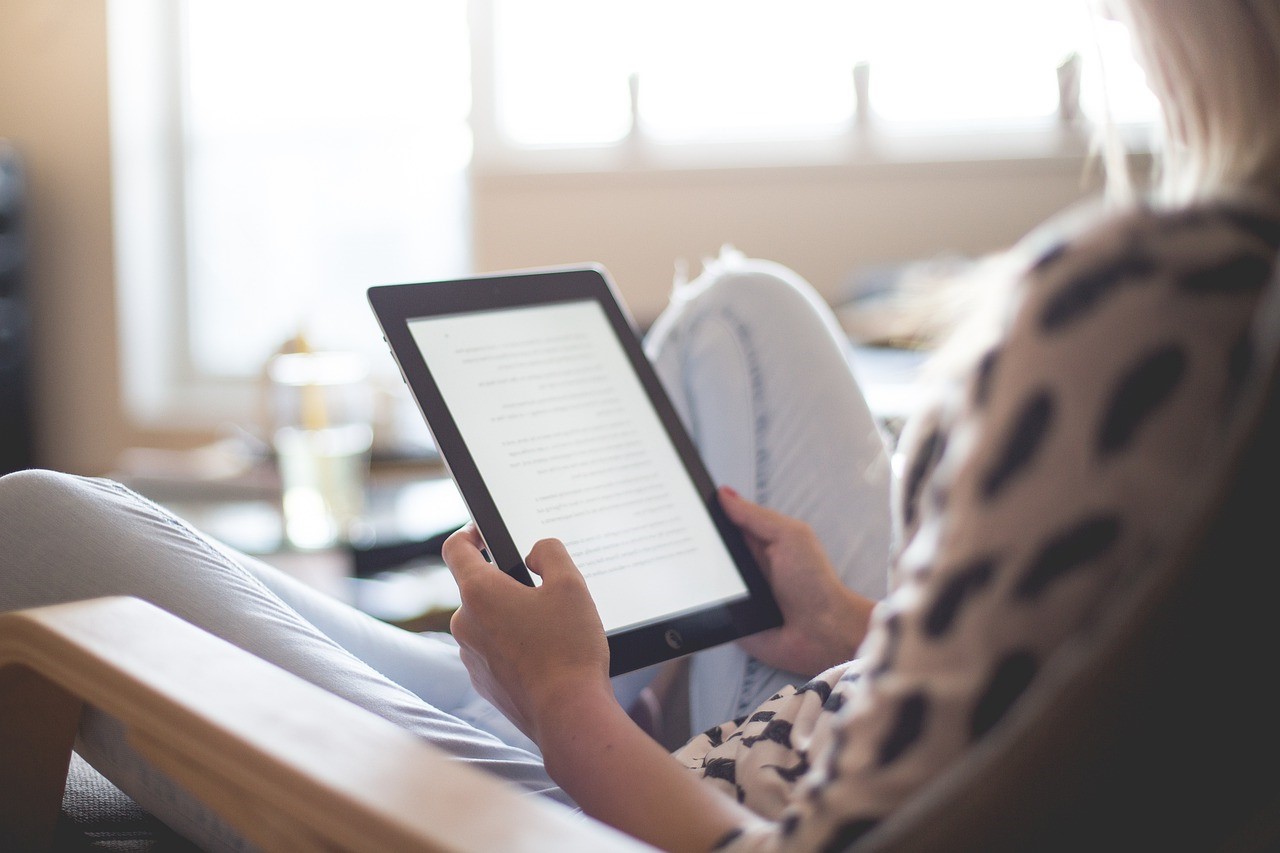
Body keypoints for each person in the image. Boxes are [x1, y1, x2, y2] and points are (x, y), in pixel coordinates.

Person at [3, 0, 1279, 849]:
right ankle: (595, 668)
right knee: (741, 311)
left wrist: (572, 714)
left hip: (631, 814)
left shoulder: (1157, 305)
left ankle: (557, 686)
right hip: (808, 703)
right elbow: (1043, 683)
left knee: (36, 523)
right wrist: (841, 624)